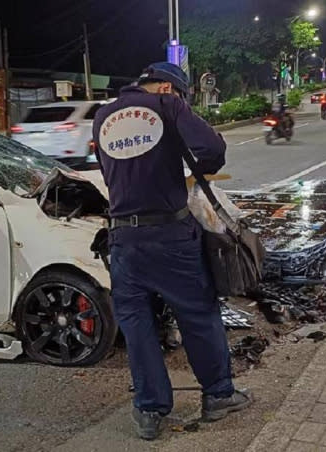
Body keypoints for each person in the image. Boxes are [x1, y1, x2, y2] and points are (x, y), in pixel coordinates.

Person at [91, 62, 252, 440]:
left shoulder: (102, 115)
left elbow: (107, 167)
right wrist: (194, 168)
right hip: (169, 234)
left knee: (137, 324)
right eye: (181, 94)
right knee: (197, 314)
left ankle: (149, 411)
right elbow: (212, 148)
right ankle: (218, 396)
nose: (180, 100)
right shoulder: (167, 105)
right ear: (167, 87)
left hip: (124, 241)